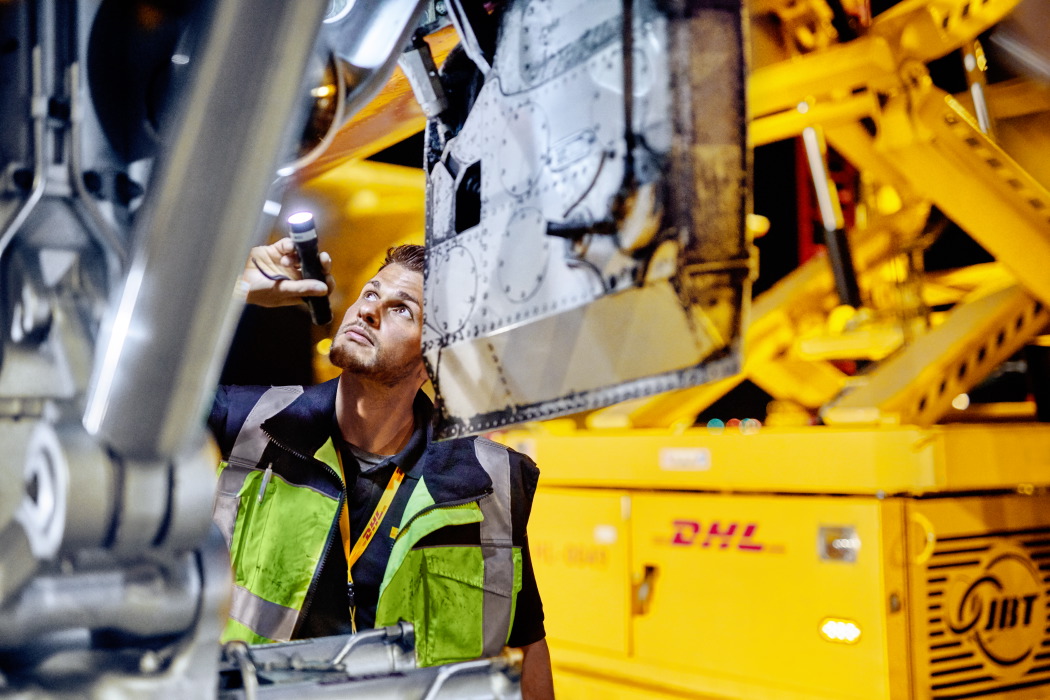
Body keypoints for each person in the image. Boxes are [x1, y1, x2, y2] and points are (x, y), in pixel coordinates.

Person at [207, 237, 554, 698]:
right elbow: (125, 402)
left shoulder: (488, 482)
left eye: (402, 309)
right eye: (370, 293)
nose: (369, 310)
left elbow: (527, 645)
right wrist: (235, 288)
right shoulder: (247, 424)